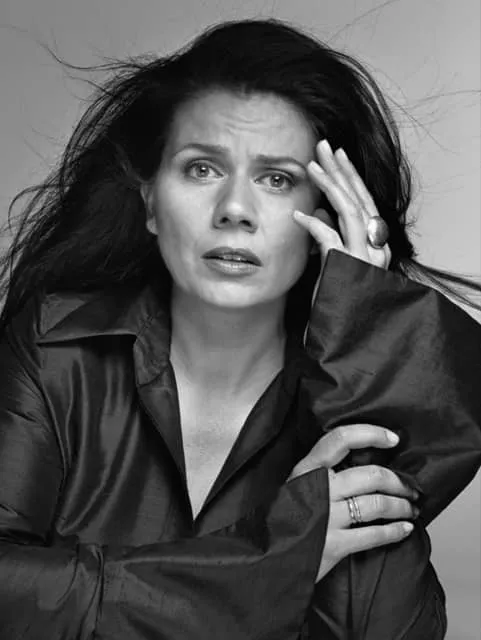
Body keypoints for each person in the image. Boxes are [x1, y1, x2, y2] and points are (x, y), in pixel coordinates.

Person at [0, 18, 480, 640]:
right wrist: (271, 557)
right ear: (150, 202)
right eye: (202, 169)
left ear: (325, 220)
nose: (234, 210)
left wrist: (367, 320)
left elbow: (393, 629)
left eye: (277, 180)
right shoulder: (55, 346)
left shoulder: (349, 391)